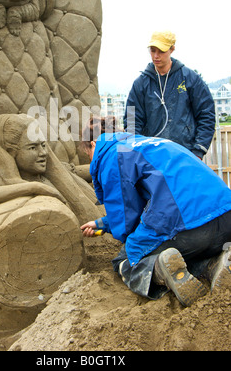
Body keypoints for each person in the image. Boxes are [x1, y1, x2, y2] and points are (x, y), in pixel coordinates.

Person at [80, 116, 231, 307]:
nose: (91, 160)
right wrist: (102, 224)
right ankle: (215, 265)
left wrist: (122, 234)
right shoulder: (147, 143)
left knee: (127, 258)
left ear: (93, 144)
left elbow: (127, 221)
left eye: (88, 154)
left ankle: (161, 267)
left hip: (189, 224)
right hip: (225, 216)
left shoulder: (111, 156)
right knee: (183, 246)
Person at [124, 30, 215, 159]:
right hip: (152, 155)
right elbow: (132, 119)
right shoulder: (141, 84)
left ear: (172, 49)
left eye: (161, 51)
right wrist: (136, 150)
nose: (156, 56)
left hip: (185, 154)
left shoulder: (190, 79)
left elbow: (206, 114)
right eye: (153, 50)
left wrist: (198, 150)